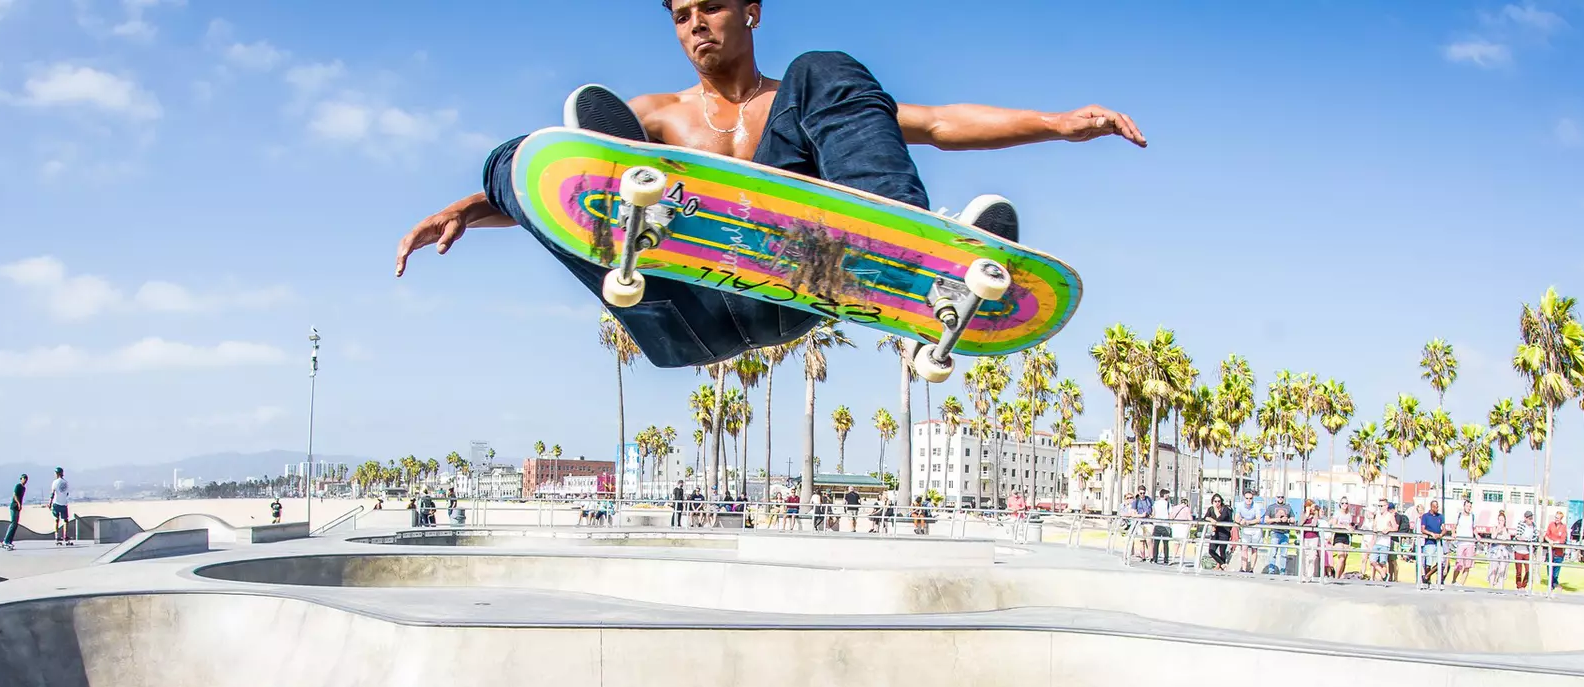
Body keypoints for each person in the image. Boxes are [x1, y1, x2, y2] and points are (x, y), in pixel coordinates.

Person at [394, 1, 1145, 375]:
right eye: (682, 16)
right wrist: (473, 204)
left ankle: (915, 258)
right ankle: (566, 190)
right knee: (519, 152)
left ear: (750, 11)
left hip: (793, 293)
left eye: (711, 8)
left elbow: (943, 123)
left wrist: (1056, 123)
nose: (697, 27)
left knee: (828, 69)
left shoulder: (807, 102)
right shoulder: (652, 118)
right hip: (675, 312)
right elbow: (566, 185)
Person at [1449, 498, 1478, 586]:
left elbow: (1474, 528)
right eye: (1467, 506)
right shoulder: (1459, 515)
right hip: (1461, 543)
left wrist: (1477, 535)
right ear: (1464, 506)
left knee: (1467, 565)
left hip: (1470, 543)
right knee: (1459, 564)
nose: (1469, 508)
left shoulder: (1472, 516)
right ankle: (1454, 581)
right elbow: (1453, 526)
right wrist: (1453, 533)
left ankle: (1461, 584)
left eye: (1470, 506)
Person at [1263, 494, 1293, 575]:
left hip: (1285, 533)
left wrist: (1288, 520)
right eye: (1279, 497)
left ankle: (1282, 571)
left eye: (1282, 497)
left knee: (1284, 554)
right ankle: (1271, 570)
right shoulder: (1271, 507)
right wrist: (1278, 519)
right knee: (1273, 552)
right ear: (1276, 498)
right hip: (1275, 532)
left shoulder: (1288, 507)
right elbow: (1266, 520)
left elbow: (1293, 519)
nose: (1280, 498)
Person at [1203, 493, 1233, 570]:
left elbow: (1221, 518)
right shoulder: (1211, 509)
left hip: (1224, 532)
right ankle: (1222, 564)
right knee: (1211, 550)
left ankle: (1220, 566)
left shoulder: (1225, 508)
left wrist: (1216, 510)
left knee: (1222, 551)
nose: (1217, 503)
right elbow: (1205, 517)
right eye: (1215, 501)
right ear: (1212, 502)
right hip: (1215, 532)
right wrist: (1211, 519)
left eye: (1219, 501)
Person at [1234, 492, 1263, 573]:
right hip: (1245, 529)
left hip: (1255, 529)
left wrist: (1248, 522)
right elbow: (1236, 518)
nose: (1249, 500)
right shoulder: (1240, 505)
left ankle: (1251, 569)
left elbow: (1258, 519)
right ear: (1244, 498)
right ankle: (1243, 568)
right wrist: (1241, 521)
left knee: (1254, 549)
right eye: (1247, 498)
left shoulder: (1256, 506)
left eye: (1250, 498)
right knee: (1244, 548)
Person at [1418, 500, 1445, 586]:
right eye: (1436, 507)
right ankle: (1427, 581)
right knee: (1428, 562)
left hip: (1438, 542)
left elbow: (1444, 528)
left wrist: (1440, 534)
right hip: (1429, 542)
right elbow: (1423, 529)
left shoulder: (1440, 517)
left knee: (1441, 562)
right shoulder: (1425, 516)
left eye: (1438, 507)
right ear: (1432, 507)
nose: (1437, 508)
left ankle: (1426, 576)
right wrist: (1431, 534)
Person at [1, 473, 28, 550]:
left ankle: (9, 541)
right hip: (14, 507)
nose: (25, 480)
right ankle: (5, 541)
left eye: (26, 479)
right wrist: (18, 503)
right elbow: (14, 495)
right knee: (13, 523)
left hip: (18, 508)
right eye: (24, 478)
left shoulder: (24, 488)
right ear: (21, 479)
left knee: (15, 525)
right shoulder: (18, 486)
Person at [1512, 511, 1537, 590]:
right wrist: (1524, 539)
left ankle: (1523, 586)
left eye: (1531, 518)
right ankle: (1519, 586)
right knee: (1518, 570)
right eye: (1529, 518)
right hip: (1519, 550)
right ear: (1525, 518)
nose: (1531, 520)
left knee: (1528, 570)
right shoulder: (1521, 524)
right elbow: (1518, 536)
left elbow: (1535, 537)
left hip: (1527, 551)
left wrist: (1529, 541)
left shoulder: (1534, 526)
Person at [1545, 510, 1569, 592]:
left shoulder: (1564, 527)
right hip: (1550, 551)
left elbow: (1562, 540)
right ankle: (1553, 586)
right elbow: (1546, 535)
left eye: (1558, 518)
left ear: (1561, 519)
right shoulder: (1551, 525)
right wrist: (1549, 541)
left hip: (1559, 553)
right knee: (1549, 571)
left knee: (1555, 573)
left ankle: (1553, 587)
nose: (1556, 519)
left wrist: (1554, 542)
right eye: (1555, 517)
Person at [1485, 510, 1510, 588]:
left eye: (1502, 520)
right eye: (1499, 520)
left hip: (1503, 551)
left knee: (1502, 570)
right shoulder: (1495, 527)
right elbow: (1493, 537)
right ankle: (1491, 585)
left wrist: (1504, 531)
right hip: (1495, 550)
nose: (1501, 522)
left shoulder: (1507, 529)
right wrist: (1497, 531)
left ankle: (1500, 586)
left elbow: (1508, 540)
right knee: (1494, 568)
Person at [48, 466, 73, 546]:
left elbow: (52, 493)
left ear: (57, 473)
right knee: (65, 520)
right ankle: (65, 536)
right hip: (64, 503)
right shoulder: (66, 482)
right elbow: (67, 493)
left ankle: (57, 536)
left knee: (56, 519)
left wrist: (50, 503)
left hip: (56, 503)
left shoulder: (55, 482)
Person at [1150, 488, 1173, 565]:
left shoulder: (1155, 503)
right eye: (1168, 495)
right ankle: (1166, 559)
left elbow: (1154, 513)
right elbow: (1170, 515)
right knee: (1166, 543)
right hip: (1165, 525)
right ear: (1165, 495)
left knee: (1156, 543)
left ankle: (1155, 558)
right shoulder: (1168, 504)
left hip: (1157, 524)